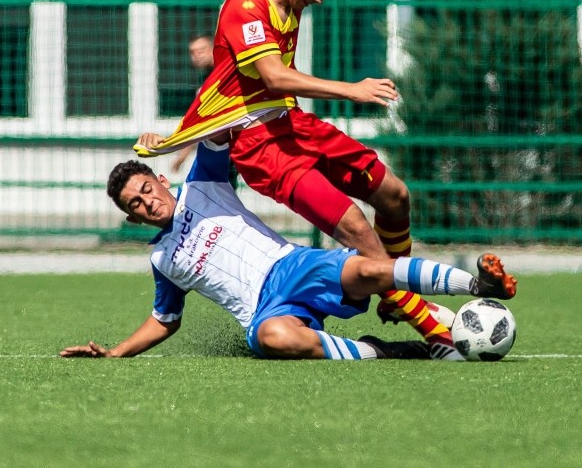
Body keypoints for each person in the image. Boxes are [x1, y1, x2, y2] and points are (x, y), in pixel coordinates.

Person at [133, 0, 449, 353]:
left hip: (292, 123)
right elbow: (274, 76)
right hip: (260, 147)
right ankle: (429, 323)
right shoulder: (246, 6)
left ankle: (395, 296)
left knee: (394, 195)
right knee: (355, 227)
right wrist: (351, 89)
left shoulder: (289, 2)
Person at [60, 136, 517, 361]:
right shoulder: (162, 259)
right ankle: (391, 351)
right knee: (274, 339)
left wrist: (179, 134)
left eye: (146, 188)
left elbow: (221, 125)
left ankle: (479, 283)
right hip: (264, 311)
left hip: (293, 265)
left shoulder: (202, 183)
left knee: (370, 269)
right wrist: (116, 353)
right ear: (133, 217)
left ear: (161, 179)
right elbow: (165, 320)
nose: (147, 201)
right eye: (135, 204)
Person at [171, 34, 239, 191]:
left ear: (213, 49)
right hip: (221, 148)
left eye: (201, 50)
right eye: (192, 52)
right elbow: (200, 118)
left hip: (235, 145)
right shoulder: (204, 79)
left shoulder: (226, 74)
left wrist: (183, 155)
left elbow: (201, 120)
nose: (197, 55)